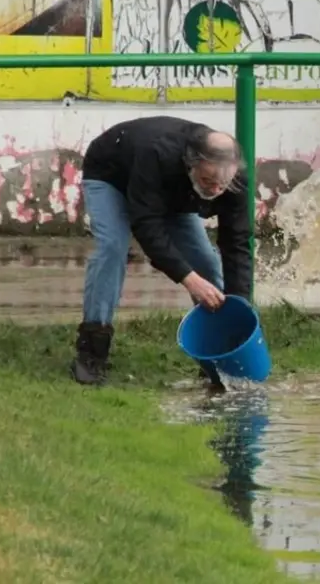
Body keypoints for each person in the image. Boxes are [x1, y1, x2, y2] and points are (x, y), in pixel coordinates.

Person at [72, 116, 253, 392]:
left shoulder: (232, 178)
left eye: (223, 184)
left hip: (171, 194)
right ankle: (92, 350)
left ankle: (220, 357)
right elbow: (147, 226)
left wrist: (241, 309)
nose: (216, 190)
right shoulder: (156, 153)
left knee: (207, 263)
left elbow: (236, 242)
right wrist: (188, 279)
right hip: (112, 175)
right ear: (190, 164)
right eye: (208, 180)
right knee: (112, 248)